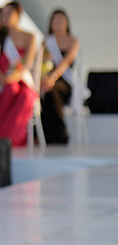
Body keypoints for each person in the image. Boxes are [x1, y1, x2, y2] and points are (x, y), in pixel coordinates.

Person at [0, 1, 38, 146]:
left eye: (10, 13)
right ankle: (4, 135)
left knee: (27, 95)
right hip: (3, 81)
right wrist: (3, 77)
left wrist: (15, 76)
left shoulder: (29, 37)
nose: (6, 16)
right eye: (4, 13)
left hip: (22, 79)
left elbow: (28, 62)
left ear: (18, 15)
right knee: (11, 89)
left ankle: (13, 138)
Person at [41, 9, 88, 144]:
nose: (57, 25)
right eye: (54, 21)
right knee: (43, 92)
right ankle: (44, 135)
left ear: (66, 23)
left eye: (60, 21)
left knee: (53, 90)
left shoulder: (73, 41)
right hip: (48, 80)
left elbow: (67, 61)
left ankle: (60, 134)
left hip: (67, 82)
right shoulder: (46, 42)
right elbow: (41, 63)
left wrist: (52, 77)